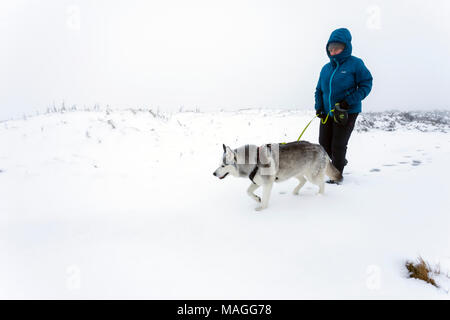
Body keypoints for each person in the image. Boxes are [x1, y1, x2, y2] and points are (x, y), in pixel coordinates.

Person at [314, 28, 373, 184]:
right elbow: (319, 90)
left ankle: (336, 175)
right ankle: (340, 161)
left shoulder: (355, 64)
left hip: (347, 111)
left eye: (337, 48)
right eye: (330, 48)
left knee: (338, 145)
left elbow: (366, 84)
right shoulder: (326, 68)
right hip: (327, 112)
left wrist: (348, 102)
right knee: (324, 144)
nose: (333, 52)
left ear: (345, 47)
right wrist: (319, 107)